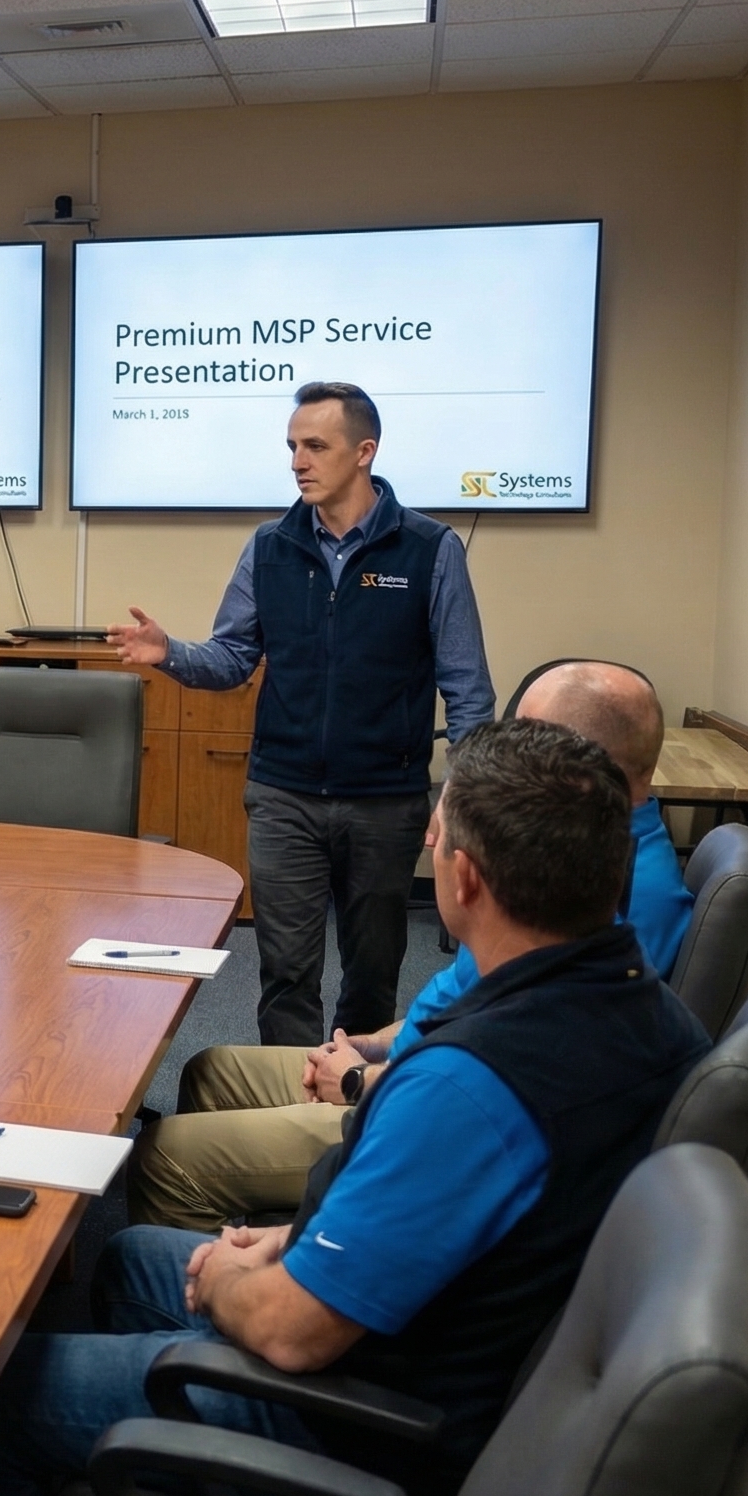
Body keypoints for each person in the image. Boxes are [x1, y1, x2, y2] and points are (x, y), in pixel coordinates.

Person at [0, 720, 709, 1496]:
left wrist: (233, 1283)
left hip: (365, 1422)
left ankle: (135, 1464)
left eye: (437, 833)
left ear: (466, 878)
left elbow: (290, 1332)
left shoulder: (470, 1087)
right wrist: (289, 1242)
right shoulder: (649, 1012)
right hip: (442, 1335)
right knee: (127, 1262)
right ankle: (140, 1487)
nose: (430, 843)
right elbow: (442, 1219)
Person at [129, 659, 694, 1230]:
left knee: (165, 1158)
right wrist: (374, 1044)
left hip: (430, 1111)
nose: (507, 753)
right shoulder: (557, 859)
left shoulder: (617, 894)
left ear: (574, 761)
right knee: (209, 1072)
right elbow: (469, 1000)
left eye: (525, 738)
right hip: (414, 1069)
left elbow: (521, 1079)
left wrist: (360, 1081)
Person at [109, 382, 495, 1046]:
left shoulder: (430, 549)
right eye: (292, 446)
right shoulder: (270, 546)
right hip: (283, 794)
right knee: (285, 972)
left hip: (385, 799)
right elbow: (232, 657)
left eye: (315, 446)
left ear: (364, 451)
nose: (298, 462)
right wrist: (170, 653)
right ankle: (286, 1098)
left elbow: (468, 689)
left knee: (373, 974)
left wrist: (460, 793)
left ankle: (353, 1094)